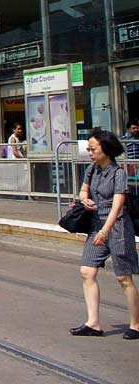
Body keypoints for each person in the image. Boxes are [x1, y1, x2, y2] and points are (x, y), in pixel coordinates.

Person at [71, 129, 139, 339]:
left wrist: (105, 231)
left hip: (117, 228)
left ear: (106, 150)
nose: (90, 152)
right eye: (89, 149)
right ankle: (93, 323)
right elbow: (83, 190)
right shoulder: (92, 170)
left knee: (123, 278)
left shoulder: (118, 173)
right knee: (86, 272)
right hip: (96, 224)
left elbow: (118, 206)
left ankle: (136, 324)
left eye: (93, 149)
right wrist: (85, 200)